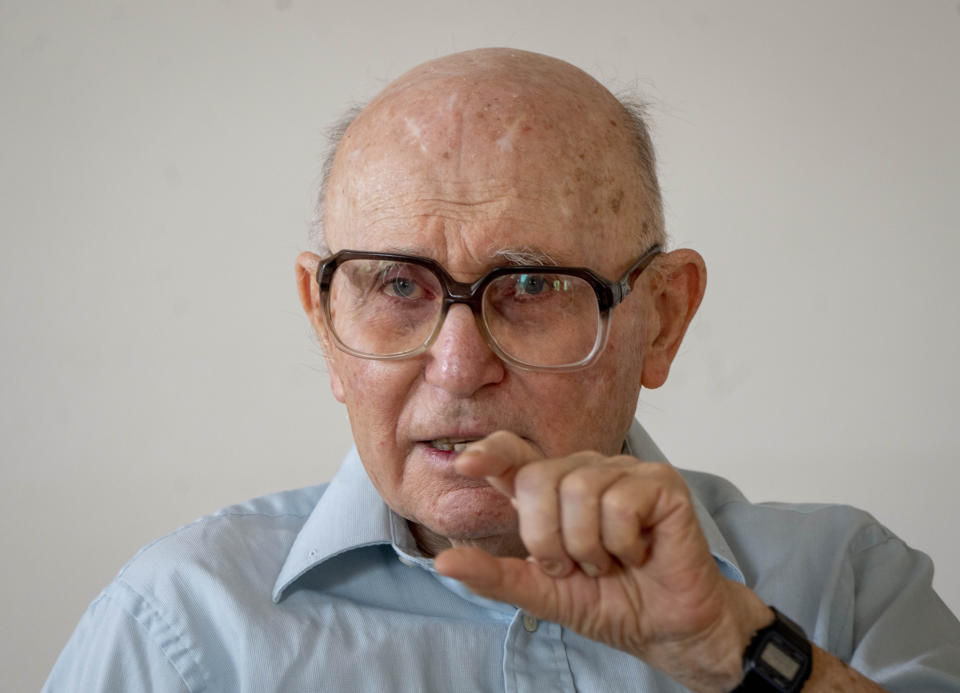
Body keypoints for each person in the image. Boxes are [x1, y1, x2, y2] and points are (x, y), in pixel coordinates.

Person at [43, 48, 960, 693]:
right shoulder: (176, 630)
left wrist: (741, 650)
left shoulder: (847, 590)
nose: (457, 364)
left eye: (530, 283)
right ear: (325, 324)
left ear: (663, 317)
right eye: (397, 284)